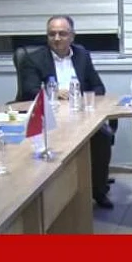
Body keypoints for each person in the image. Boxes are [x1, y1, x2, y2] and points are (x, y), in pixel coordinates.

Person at [14, 15, 116, 209]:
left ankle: (98, 190)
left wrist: (79, 95)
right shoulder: (33, 58)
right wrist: (53, 93)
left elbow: (98, 87)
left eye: (62, 34)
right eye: (51, 34)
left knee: (102, 136)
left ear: (72, 36)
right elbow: (29, 91)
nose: (57, 38)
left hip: (81, 115)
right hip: (50, 117)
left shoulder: (82, 55)